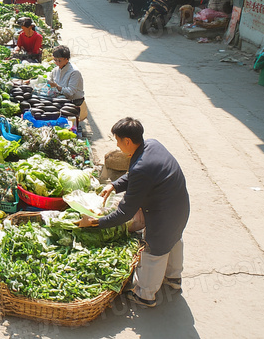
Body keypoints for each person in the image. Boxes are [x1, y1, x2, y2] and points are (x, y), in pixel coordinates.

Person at [78, 117, 189, 308]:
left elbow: (124, 213)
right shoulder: (152, 145)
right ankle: (173, 278)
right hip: (180, 207)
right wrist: (113, 185)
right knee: (174, 240)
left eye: (118, 141)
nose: (118, 146)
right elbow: (135, 175)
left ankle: (145, 295)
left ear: (127, 141)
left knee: (155, 250)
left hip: (163, 214)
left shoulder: (141, 167)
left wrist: (96, 222)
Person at [47, 46, 87, 121]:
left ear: (66, 59)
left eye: (59, 60)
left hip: (74, 102)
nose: (57, 63)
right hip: (62, 99)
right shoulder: (56, 70)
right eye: (55, 60)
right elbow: (50, 78)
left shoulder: (74, 72)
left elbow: (70, 92)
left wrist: (57, 86)